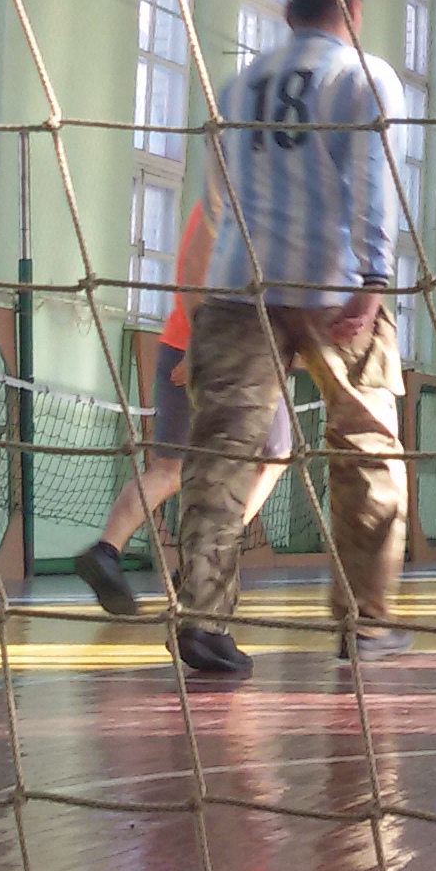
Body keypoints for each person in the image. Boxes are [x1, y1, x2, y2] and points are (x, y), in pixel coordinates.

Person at [172, 0, 415, 676]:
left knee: (219, 458)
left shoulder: (236, 85)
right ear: (355, 13)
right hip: (333, 286)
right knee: (367, 453)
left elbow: (217, 198)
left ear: (288, 13)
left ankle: (202, 619)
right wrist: (374, 276)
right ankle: (365, 624)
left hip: (238, 284)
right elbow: (373, 179)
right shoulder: (365, 77)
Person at [69, 197, 298, 618]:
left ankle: (106, 550)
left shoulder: (219, 201)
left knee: (169, 468)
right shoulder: (256, 203)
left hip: (181, 342)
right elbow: (201, 274)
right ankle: (206, 558)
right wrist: (201, 347)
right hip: (231, 351)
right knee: (275, 454)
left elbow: (194, 271)